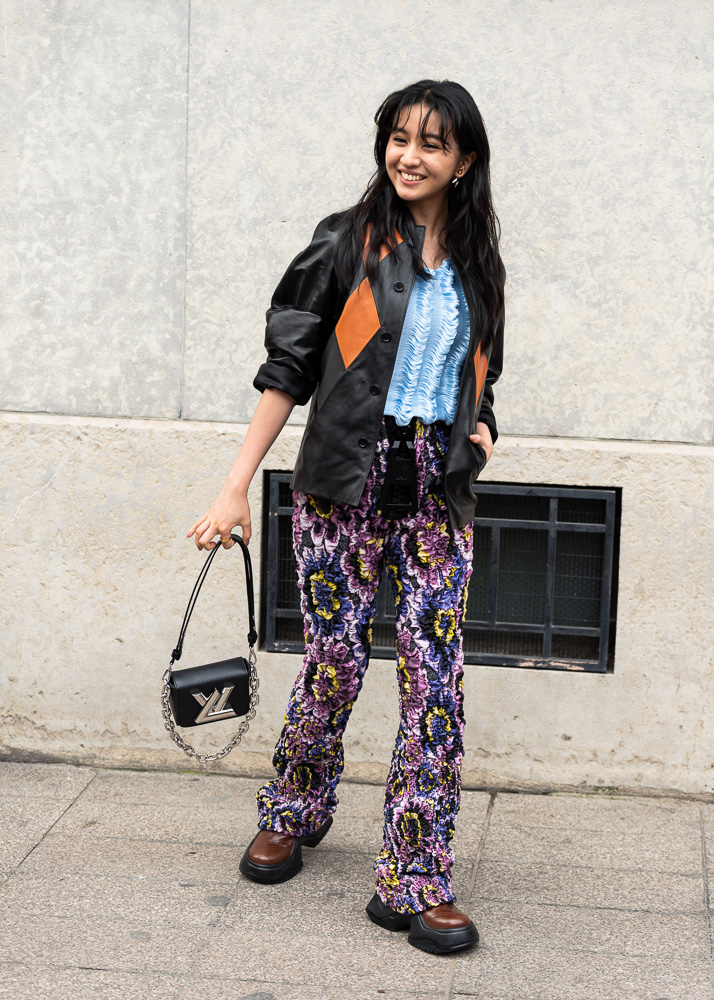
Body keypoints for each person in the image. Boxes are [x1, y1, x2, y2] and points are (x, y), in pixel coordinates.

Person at [187, 79, 505, 955]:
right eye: (399, 138)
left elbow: (484, 373)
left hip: (437, 488)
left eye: (432, 144)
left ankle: (415, 875)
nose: (410, 156)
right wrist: (235, 486)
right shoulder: (349, 241)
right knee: (333, 663)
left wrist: (481, 436)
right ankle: (293, 810)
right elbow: (288, 366)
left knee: (433, 679)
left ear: (463, 160)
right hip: (340, 480)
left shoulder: (480, 262)